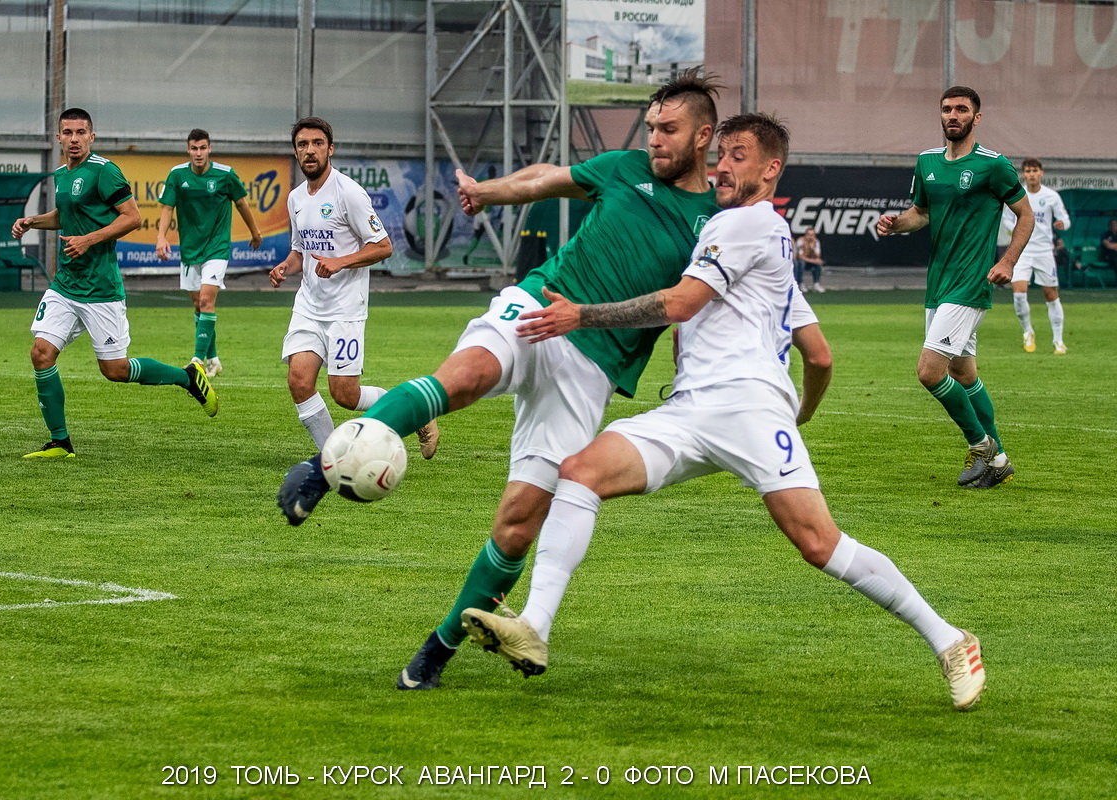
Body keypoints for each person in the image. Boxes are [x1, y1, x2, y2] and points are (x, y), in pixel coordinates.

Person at [461, 113, 986, 712]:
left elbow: (682, 304)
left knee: (819, 543)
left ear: (770, 169)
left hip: (747, 408)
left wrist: (583, 314)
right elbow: (819, 355)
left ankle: (952, 641)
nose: (723, 166)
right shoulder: (760, 238)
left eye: (739, 156)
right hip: (692, 410)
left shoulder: (742, 226)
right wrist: (802, 412)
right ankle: (534, 625)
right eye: (723, 155)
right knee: (579, 471)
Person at [278, 69, 723, 690]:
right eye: (650, 127)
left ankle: (437, 649)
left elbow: (684, 304)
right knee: (464, 376)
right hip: (539, 303)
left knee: (518, 521)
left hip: (593, 367)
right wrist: (489, 192)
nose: (654, 139)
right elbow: (548, 179)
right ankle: (323, 472)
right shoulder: (624, 167)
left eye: (668, 130)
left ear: (704, 136)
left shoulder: (718, 221)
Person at [11, 108, 218, 459]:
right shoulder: (62, 175)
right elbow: (66, 215)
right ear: (58, 137)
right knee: (41, 354)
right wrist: (34, 221)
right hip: (65, 284)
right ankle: (60, 442)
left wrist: (89, 239)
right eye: (67, 132)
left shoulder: (105, 171)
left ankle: (188, 376)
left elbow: (133, 218)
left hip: (101, 289)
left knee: (115, 371)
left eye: (80, 132)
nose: (74, 139)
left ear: (92, 137)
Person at [877, 86, 1033, 490]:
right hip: (939, 284)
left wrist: (1007, 261)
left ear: (976, 118)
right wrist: (896, 224)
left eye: (962, 109)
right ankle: (997, 459)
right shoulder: (927, 162)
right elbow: (921, 213)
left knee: (929, 372)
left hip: (970, 283)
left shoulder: (993, 165)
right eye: (947, 109)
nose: (953, 115)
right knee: (964, 373)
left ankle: (981, 446)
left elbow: (1025, 215)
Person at [267, 117, 434, 477]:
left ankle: (418, 411)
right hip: (309, 306)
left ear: (330, 148)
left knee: (345, 394)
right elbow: (300, 252)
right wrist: (285, 266)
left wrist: (341, 262)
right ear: (295, 151)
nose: (309, 151)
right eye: (302, 145)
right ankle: (335, 460)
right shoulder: (296, 198)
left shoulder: (349, 193)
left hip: (346, 310)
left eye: (316, 143)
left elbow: (384, 246)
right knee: (299, 381)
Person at [156, 128, 263, 377]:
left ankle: (197, 360)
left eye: (203, 148)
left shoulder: (225, 175)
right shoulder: (177, 174)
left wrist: (255, 233)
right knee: (198, 305)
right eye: (194, 148)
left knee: (206, 301)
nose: (198, 153)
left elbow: (242, 204)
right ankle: (214, 358)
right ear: (188, 150)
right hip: (190, 250)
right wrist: (161, 237)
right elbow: (166, 208)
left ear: (209, 149)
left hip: (217, 248)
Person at [1001, 158, 1070, 354]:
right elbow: (1006, 219)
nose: (1031, 174)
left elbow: (1064, 219)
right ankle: (1028, 332)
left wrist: (1062, 224)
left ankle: (1058, 340)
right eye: (1028, 171)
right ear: (1023, 174)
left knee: (1051, 295)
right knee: (1019, 294)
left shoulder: (1051, 196)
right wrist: (1016, 232)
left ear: (1041, 173)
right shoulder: (1016, 195)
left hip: (1044, 251)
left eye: (1034, 170)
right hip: (1021, 251)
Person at [794, 227, 825, 292]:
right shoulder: (801, 241)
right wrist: (814, 261)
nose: (810, 237)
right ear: (805, 235)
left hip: (809, 261)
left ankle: (816, 284)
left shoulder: (816, 241)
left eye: (812, 235)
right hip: (800, 262)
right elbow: (800, 256)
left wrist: (812, 249)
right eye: (809, 235)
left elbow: (818, 256)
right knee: (801, 263)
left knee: (818, 265)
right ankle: (800, 283)